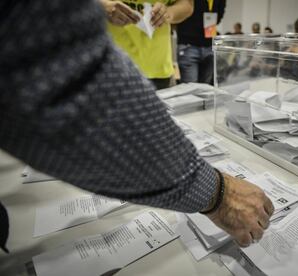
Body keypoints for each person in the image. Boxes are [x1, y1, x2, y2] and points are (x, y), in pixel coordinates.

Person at [0, 0, 273, 253]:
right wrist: (217, 194)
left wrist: (169, 13)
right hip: (117, 63)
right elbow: (58, 72)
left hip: (154, 65)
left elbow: (186, 5)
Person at [100, 0, 194, 90]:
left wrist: (168, 12)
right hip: (113, 70)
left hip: (160, 70)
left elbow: (187, 4)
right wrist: (104, 6)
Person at [176, 0, 226, 84]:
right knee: (190, 89)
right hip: (188, 44)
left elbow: (219, 16)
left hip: (209, 44)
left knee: (205, 89)